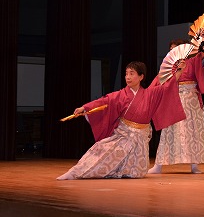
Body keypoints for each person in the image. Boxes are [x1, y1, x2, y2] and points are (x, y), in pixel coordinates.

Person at [56, 61, 186, 180]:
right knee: (101, 152)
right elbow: (104, 101)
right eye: (126, 74)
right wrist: (85, 107)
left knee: (137, 173)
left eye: (132, 73)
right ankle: (75, 172)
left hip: (140, 138)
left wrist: (179, 70)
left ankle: (117, 171)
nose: (127, 77)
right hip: (123, 135)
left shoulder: (150, 94)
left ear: (141, 77)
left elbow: (167, 86)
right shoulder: (120, 95)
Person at [148, 39, 204, 174]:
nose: (173, 51)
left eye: (175, 48)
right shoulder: (168, 66)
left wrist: (203, 53)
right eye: (171, 49)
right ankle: (159, 165)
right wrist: (178, 71)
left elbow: (201, 63)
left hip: (191, 99)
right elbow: (160, 82)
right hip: (174, 99)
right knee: (168, 130)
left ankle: (194, 165)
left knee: (193, 131)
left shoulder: (192, 61)